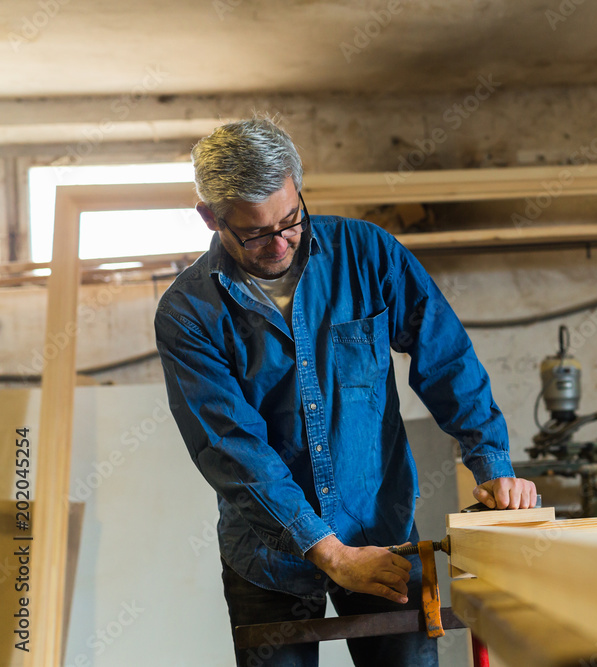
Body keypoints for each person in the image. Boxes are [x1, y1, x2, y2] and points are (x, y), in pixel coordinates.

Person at [154, 118, 536, 667]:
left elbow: (445, 356)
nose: (282, 242)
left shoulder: (368, 254)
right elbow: (231, 448)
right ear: (210, 219)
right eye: (257, 233)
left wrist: (491, 462)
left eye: (291, 219)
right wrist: (329, 552)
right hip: (268, 558)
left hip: (380, 530)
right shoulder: (189, 314)